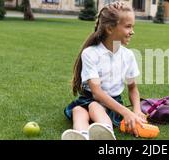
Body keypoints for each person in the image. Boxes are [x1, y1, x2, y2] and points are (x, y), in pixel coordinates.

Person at [62, 1, 147, 140]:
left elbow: (132, 88)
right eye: (128, 26)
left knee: (95, 107)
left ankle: (106, 132)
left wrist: (136, 110)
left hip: (113, 105)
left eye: (132, 26)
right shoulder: (90, 53)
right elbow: (96, 92)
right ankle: (82, 135)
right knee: (78, 110)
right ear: (109, 28)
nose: (132, 31)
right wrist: (127, 112)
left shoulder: (128, 56)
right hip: (89, 99)